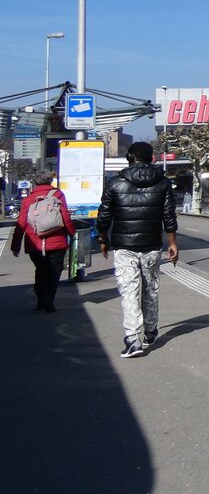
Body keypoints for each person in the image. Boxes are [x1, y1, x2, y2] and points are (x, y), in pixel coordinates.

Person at [96, 141, 179, 358]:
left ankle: (133, 340)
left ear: (130, 158)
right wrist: (172, 243)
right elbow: (169, 215)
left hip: (124, 247)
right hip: (152, 245)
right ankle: (150, 330)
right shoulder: (163, 183)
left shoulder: (115, 183)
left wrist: (103, 239)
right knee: (151, 288)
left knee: (129, 291)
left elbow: (104, 215)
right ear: (152, 158)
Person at [9, 169, 76, 313]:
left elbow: (21, 223)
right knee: (54, 271)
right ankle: (48, 299)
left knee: (41, 270)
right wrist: (73, 234)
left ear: (35, 182)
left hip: (35, 242)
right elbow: (65, 216)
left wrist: (16, 245)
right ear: (50, 180)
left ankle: (40, 299)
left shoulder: (28, 199)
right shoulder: (58, 194)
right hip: (56, 240)